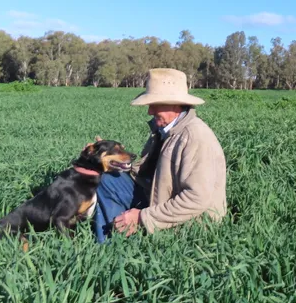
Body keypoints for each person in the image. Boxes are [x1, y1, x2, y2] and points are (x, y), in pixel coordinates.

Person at [92, 68, 227, 242]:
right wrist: (108, 158)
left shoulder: (195, 137)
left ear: (176, 104)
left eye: (155, 104)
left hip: (189, 222)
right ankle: (112, 238)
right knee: (104, 177)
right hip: (158, 198)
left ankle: (117, 242)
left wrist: (142, 217)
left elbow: (196, 199)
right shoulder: (165, 130)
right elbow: (146, 173)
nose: (149, 111)